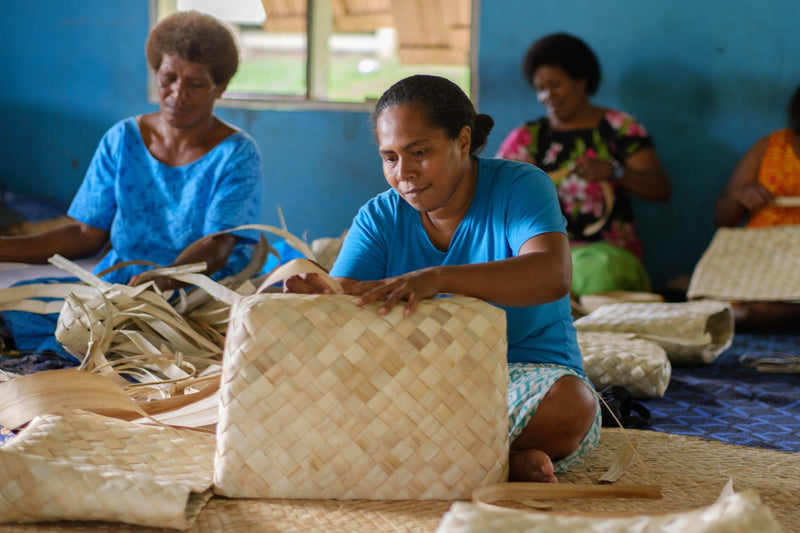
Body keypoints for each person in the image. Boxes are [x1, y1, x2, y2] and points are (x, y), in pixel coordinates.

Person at [285, 74, 600, 483]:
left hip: (519, 378)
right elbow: (349, 306)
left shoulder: (519, 187)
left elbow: (551, 274)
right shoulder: (380, 216)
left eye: (419, 152)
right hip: (415, 386)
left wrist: (436, 278)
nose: (404, 173)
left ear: (463, 141)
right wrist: (319, 296)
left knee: (571, 404)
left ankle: (430, 461)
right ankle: (495, 465)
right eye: (390, 157)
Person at [0, 10, 263, 366]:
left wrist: (164, 279)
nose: (177, 94)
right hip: (124, 281)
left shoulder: (236, 153)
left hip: (198, 289)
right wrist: (5, 248)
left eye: (196, 84)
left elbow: (218, 245)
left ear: (221, 87)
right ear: (156, 73)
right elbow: (85, 233)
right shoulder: (122, 139)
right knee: (25, 307)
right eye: (168, 78)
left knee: (139, 353)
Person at [496, 32, 671, 299]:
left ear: (581, 80)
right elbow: (495, 195)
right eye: (540, 88)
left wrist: (615, 171)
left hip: (607, 255)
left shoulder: (618, 128)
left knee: (594, 276)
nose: (547, 96)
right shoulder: (527, 138)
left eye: (555, 84)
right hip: (541, 254)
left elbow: (660, 189)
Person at [712, 83, 800, 330]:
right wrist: (740, 195)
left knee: (755, 313)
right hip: (763, 258)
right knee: (748, 307)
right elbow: (722, 219)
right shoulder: (773, 147)